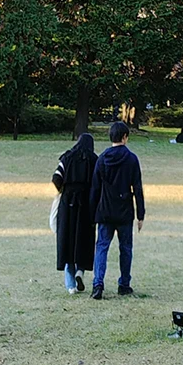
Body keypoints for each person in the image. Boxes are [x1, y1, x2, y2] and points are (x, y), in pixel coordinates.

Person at [89, 119, 145, 299]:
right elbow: (137, 188)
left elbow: (95, 189)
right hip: (124, 211)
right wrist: (140, 214)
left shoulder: (102, 159)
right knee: (126, 248)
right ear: (125, 137)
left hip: (105, 210)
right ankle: (124, 283)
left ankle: (98, 283)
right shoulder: (131, 159)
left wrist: (92, 214)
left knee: (102, 247)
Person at [51, 131, 97, 292]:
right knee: (83, 240)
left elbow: (56, 178)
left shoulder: (67, 157)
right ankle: (80, 271)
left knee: (67, 240)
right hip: (85, 204)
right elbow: (98, 184)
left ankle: (70, 285)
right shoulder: (93, 160)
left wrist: (63, 191)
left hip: (68, 203)